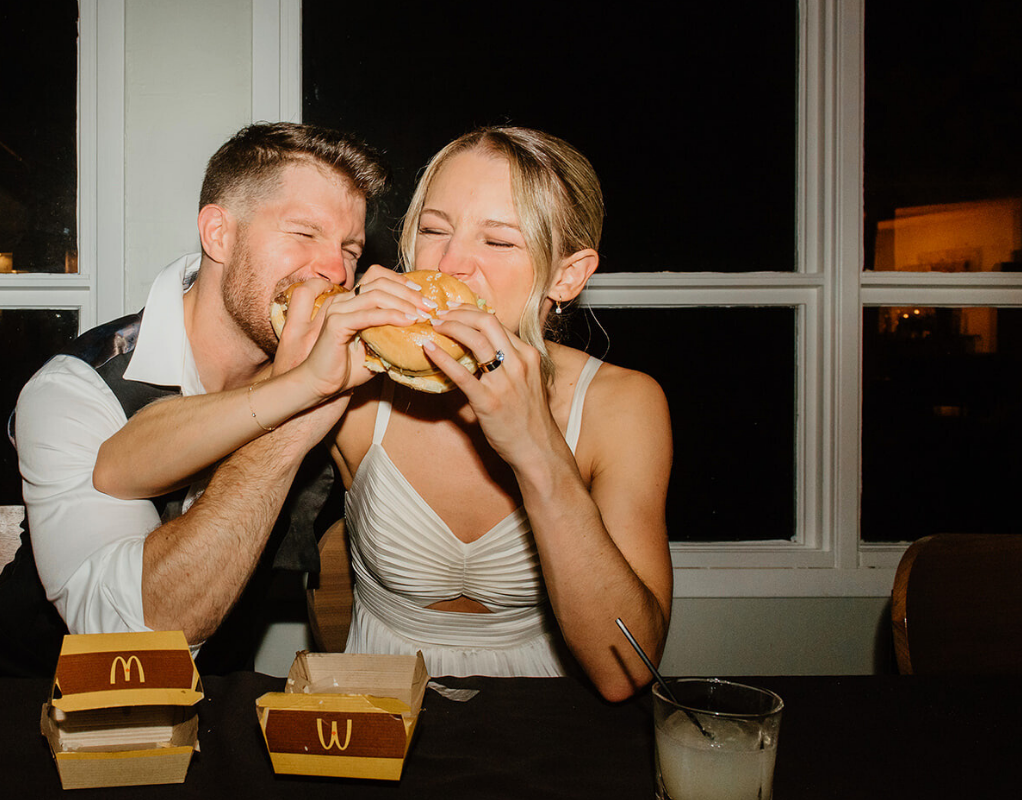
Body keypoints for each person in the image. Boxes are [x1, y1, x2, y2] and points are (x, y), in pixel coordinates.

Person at [94, 127, 673, 702]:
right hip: (378, 720)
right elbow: (120, 468)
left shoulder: (624, 405)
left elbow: (626, 670)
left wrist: (539, 454)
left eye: (497, 242)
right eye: (433, 229)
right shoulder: (365, 373)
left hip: (546, 726)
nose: (450, 264)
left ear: (567, 275)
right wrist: (301, 384)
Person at [0, 122, 393, 678]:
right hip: (5, 699)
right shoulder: (74, 390)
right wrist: (291, 414)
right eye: (305, 234)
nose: (334, 271)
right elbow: (131, 640)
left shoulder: (342, 373)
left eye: (349, 249)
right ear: (218, 234)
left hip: (205, 719)